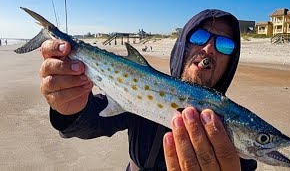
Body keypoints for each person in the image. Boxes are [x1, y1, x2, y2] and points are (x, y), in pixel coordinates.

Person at [39, 9, 257, 170]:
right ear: (182, 45)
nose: (209, 48)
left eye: (224, 45)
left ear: (231, 62)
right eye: (198, 37)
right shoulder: (142, 90)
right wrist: (68, 109)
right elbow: (90, 122)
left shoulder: (236, 138)